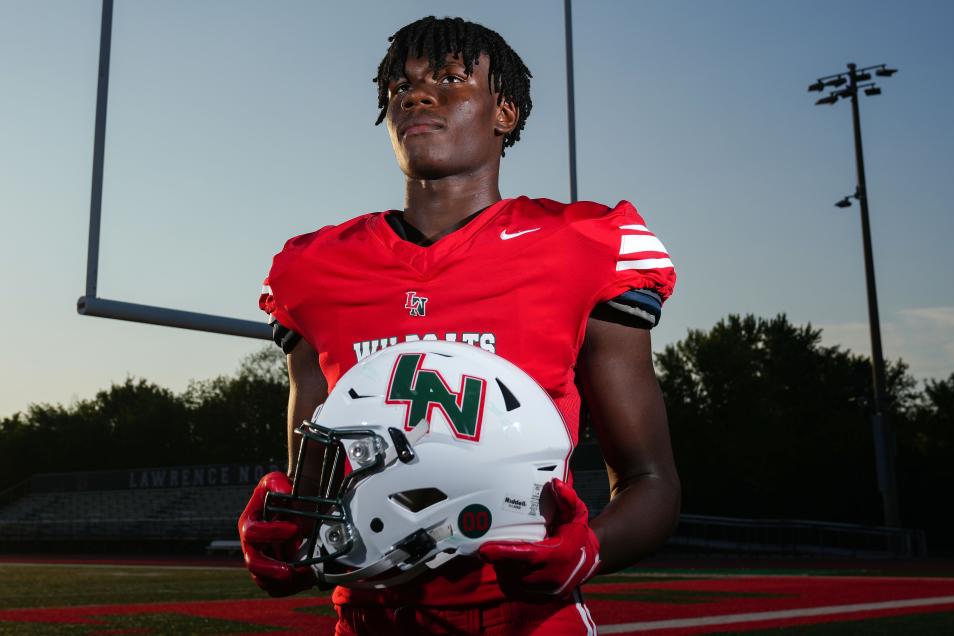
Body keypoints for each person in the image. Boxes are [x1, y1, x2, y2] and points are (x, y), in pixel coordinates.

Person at [238, 15, 680, 635]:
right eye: (401, 85)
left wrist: (588, 550)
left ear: (505, 112)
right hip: (369, 616)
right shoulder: (317, 268)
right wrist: (287, 537)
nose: (417, 94)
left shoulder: (581, 245)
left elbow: (650, 481)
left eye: (449, 78)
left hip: (523, 615)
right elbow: (314, 486)